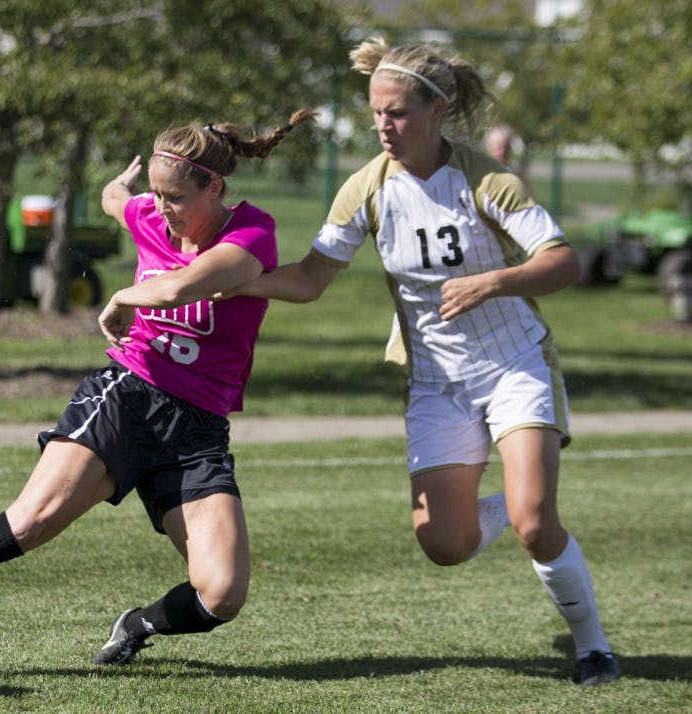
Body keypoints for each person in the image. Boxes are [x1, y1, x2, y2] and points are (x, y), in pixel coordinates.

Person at [0, 108, 316, 674]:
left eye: (175, 198)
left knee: (222, 595)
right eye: (156, 195)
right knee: (30, 522)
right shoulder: (150, 212)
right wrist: (119, 185)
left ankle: (136, 625)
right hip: (128, 395)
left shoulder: (251, 232)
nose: (161, 209)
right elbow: (116, 200)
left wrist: (122, 297)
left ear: (213, 186)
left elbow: (184, 285)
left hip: (197, 429)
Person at [221, 37, 621, 686]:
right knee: (446, 544)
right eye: (376, 112)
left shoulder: (486, 179)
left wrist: (492, 282)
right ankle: (514, 505)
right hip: (436, 380)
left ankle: (594, 647)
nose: (384, 124)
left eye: (398, 112)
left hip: (516, 363)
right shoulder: (367, 189)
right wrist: (235, 282)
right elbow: (311, 278)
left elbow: (563, 262)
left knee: (535, 524)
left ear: (438, 109)